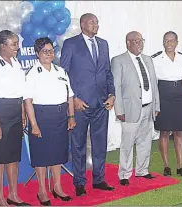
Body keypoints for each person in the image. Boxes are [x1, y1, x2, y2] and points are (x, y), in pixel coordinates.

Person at [60, 13, 115, 196]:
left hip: (101, 104)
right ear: (82, 24)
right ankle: (79, 182)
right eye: (92, 22)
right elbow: (64, 74)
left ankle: (99, 179)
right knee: (78, 145)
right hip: (80, 105)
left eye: (97, 22)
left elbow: (107, 71)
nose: (96, 25)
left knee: (100, 144)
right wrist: (73, 98)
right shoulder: (71, 44)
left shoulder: (103, 44)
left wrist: (112, 94)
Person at [24, 37, 76, 205]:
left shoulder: (61, 71)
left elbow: (70, 97)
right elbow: (28, 101)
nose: (49, 54)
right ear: (37, 54)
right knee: (41, 155)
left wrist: (71, 116)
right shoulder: (32, 74)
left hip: (61, 116)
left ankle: (57, 187)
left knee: (58, 154)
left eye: (51, 50)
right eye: (45, 51)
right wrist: (34, 125)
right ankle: (42, 190)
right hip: (41, 116)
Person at [0, 30, 30, 206]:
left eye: (17, 43)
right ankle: (0, 198)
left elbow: (21, 92)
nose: (18, 47)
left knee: (13, 156)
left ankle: (13, 195)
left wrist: (23, 113)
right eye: (14, 44)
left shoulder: (15, 62)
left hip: (15, 111)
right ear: (2, 46)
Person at [111, 31, 160, 186]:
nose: (140, 43)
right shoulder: (118, 60)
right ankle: (124, 174)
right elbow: (116, 87)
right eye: (136, 41)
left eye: (141, 40)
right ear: (128, 43)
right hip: (129, 109)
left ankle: (142, 170)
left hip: (148, 107)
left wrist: (156, 105)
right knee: (127, 143)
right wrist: (119, 110)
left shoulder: (148, 60)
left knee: (146, 141)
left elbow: (154, 85)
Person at [152, 31, 182, 176]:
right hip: (163, 96)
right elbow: (153, 84)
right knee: (164, 132)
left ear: (177, 42)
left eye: (172, 40)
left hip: (180, 97)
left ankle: (181, 165)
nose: (169, 43)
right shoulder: (155, 59)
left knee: (179, 131)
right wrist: (155, 104)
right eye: (166, 40)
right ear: (163, 43)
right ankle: (166, 166)